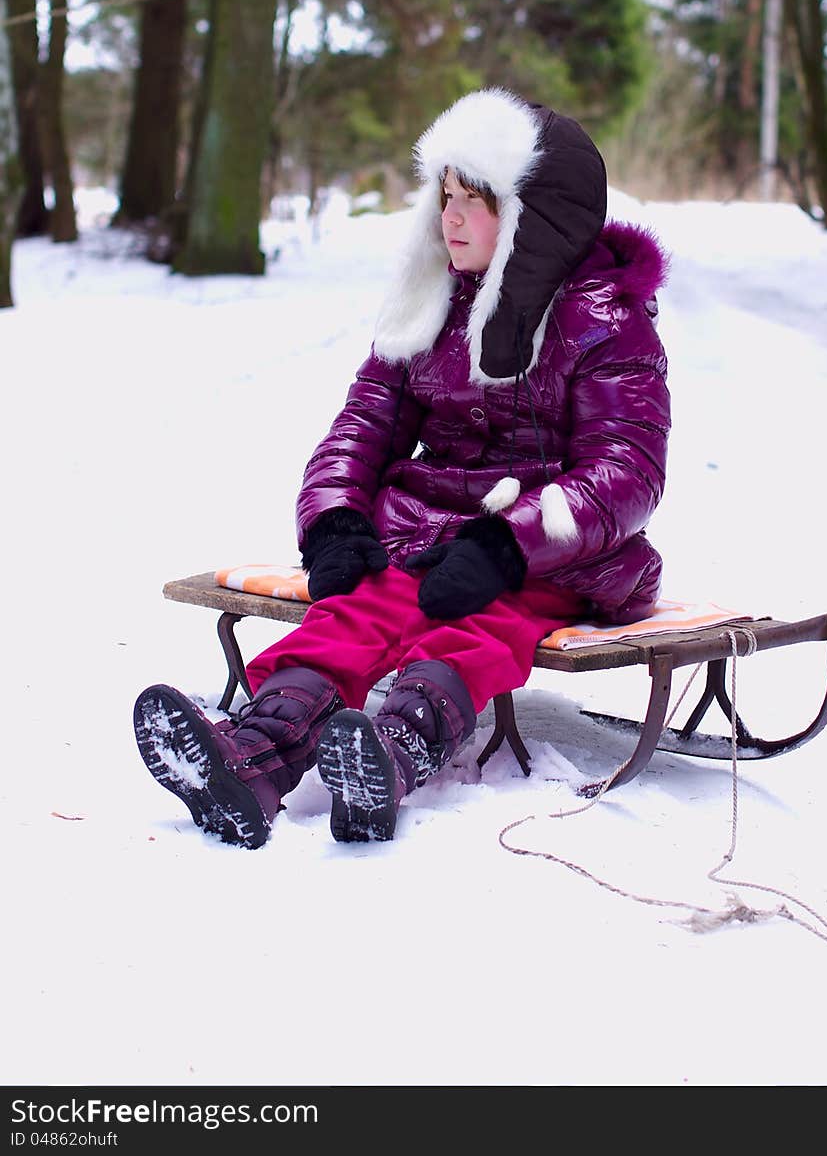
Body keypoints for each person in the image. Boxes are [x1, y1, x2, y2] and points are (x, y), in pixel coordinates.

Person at [133, 87, 671, 849]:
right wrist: (335, 521)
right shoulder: (433, 305)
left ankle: (394, 751)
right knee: (357, 611)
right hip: (432, 538)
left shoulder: (604, 319)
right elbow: (363, 425)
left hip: (560, 556)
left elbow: (629, 469)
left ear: (533, 217)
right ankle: (255, 754)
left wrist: (508, 543)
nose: (449, 218)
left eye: (473, 203)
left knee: (482, 626)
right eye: (443, 198)